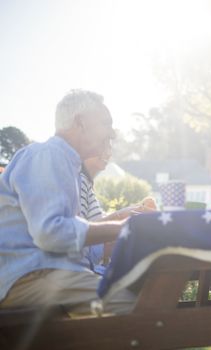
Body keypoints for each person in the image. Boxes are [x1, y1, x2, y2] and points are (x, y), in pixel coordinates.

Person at [0, 89, 136, 316]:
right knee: (138, 311)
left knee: (137, 293)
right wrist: (123, 228)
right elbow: (50, 232)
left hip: (43, 273)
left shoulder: (66, 163)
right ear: (80, 123)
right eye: (105, 123)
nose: (112, 132)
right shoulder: (48, 154)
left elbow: (63, 236)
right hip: (32, 275)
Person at [80, 148, 156, 275]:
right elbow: (81, 237)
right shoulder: (79, 181)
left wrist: (125, 213)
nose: (109, 153)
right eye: (103, 143)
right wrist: (121, 215)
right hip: (86, 269)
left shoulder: (86, 182)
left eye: (110, 147)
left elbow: (91, 224)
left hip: (94, 264)